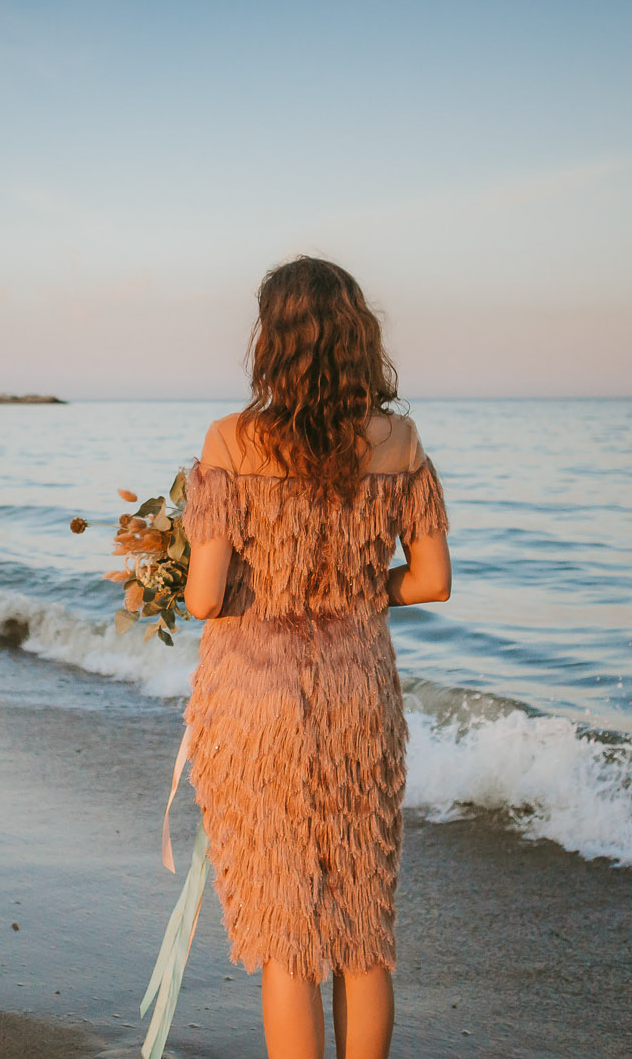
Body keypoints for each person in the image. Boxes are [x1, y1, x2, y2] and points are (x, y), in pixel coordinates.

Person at [179, 257, 452, 1059]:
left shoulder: (231, 439)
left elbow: (202, 597)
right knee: (361, 923)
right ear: (357, 335)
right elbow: (432, 580)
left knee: (286, 928)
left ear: (273, 338)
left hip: (258, 705)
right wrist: (362, 591)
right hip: (359, 693)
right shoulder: (399, 438)